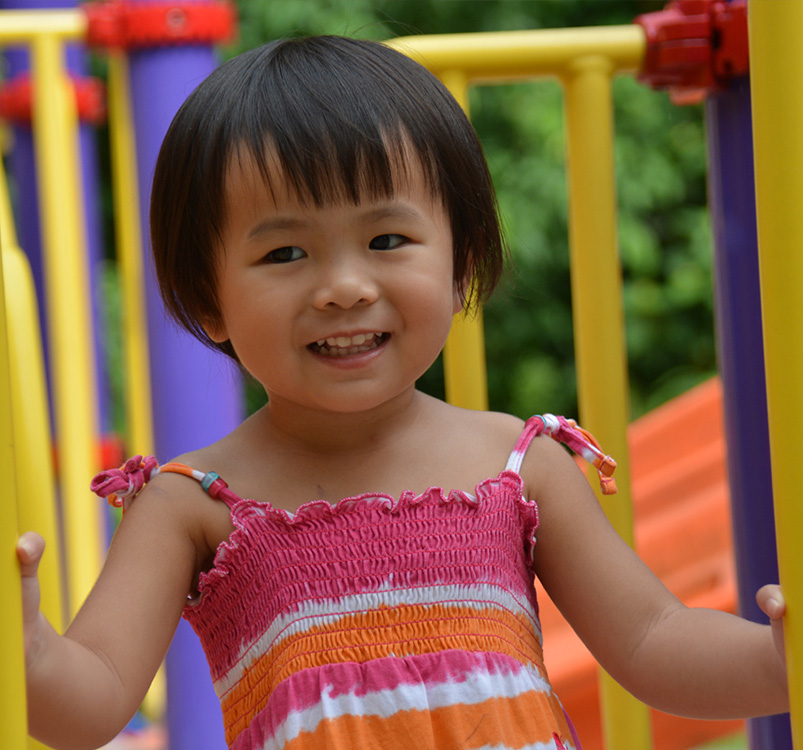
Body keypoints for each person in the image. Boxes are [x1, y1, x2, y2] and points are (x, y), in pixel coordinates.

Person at [17, 36, 788, 750]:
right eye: (284, 253)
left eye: (386, 240)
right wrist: (24, 650)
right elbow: (91, 702)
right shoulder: (192, 504)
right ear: (208, 297)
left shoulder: (518, 466)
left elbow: (653, 640)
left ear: (459, 264)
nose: (344, 287)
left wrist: (776, 661)